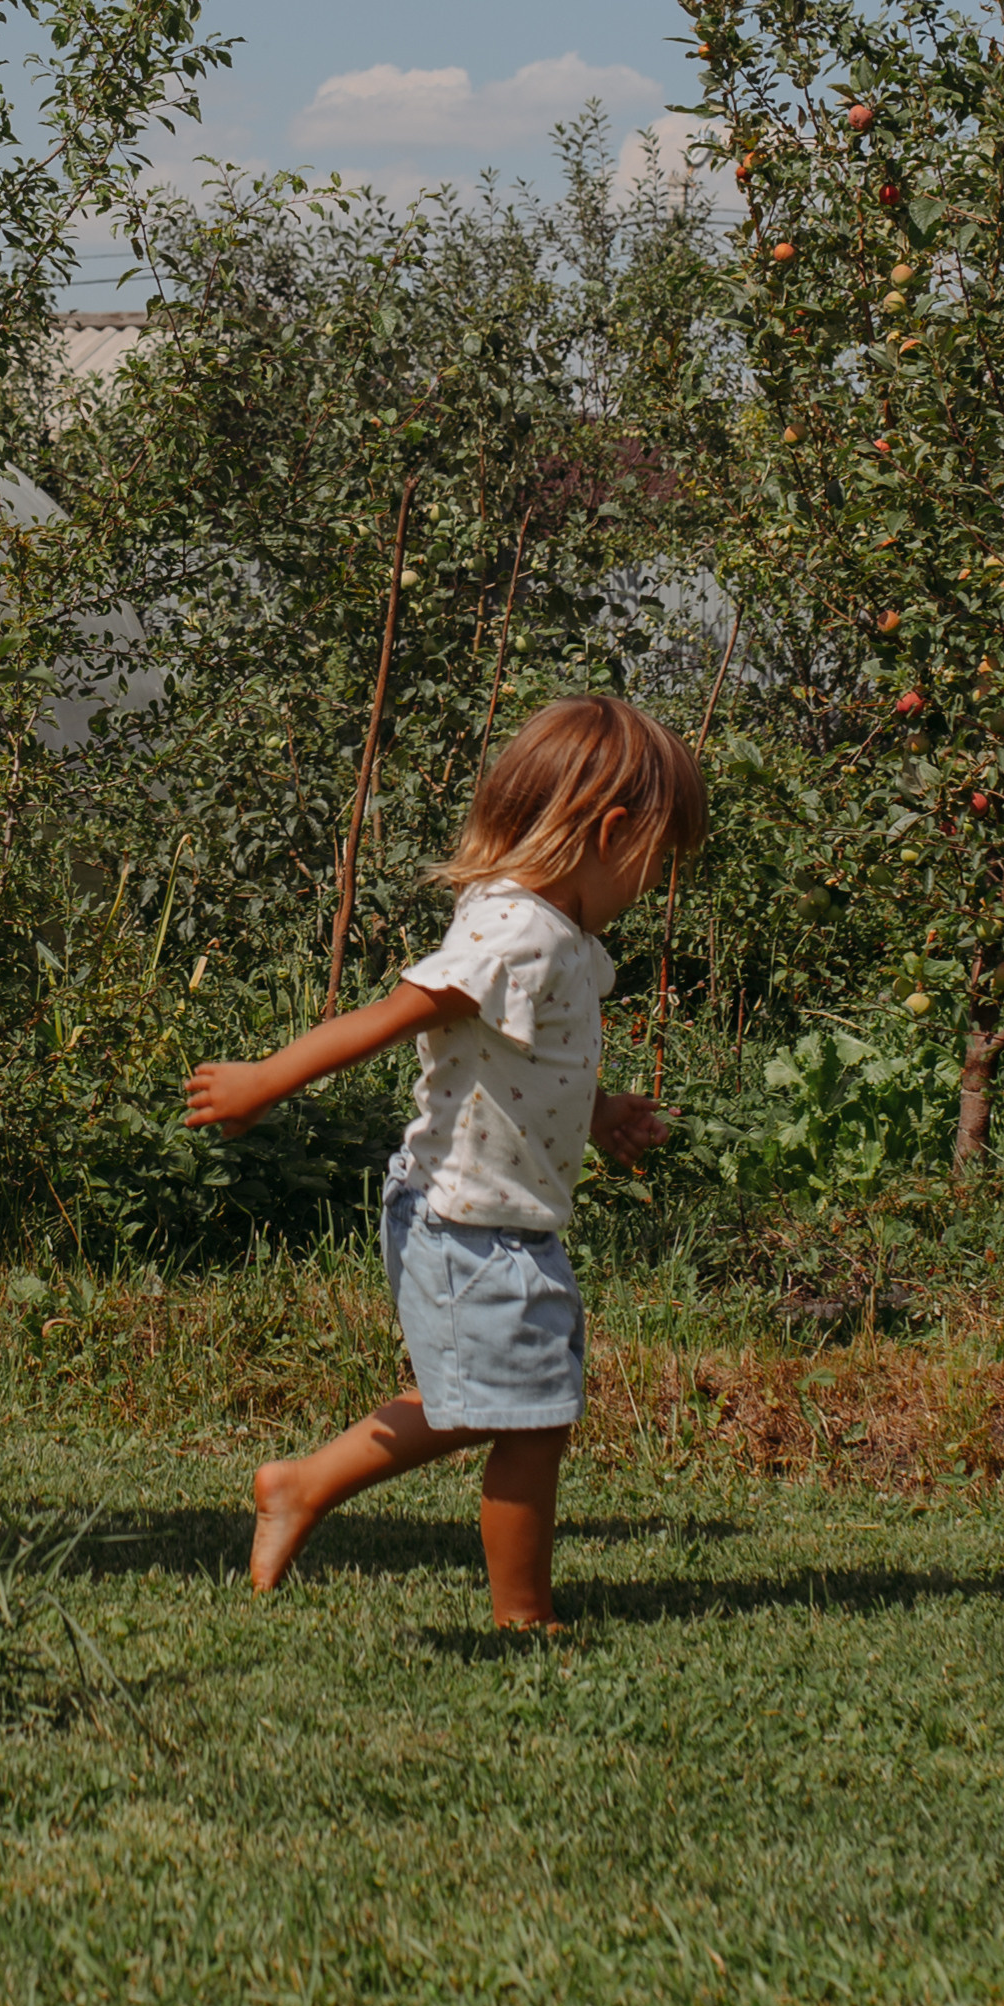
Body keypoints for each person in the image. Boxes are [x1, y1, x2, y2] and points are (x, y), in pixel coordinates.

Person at [183, 695, 703, 1627]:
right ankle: (523, 1614)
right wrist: (267, 1079)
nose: (656, 885)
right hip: (464, 1217)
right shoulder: (519, 930)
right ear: (611, 831)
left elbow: (526, 1061)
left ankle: (301, 1485)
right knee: (528, 1417)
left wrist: (599, 1110)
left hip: (506, 1219)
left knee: (496, 1407)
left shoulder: (568, 941)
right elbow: (394, 1016)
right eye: (658, 863)